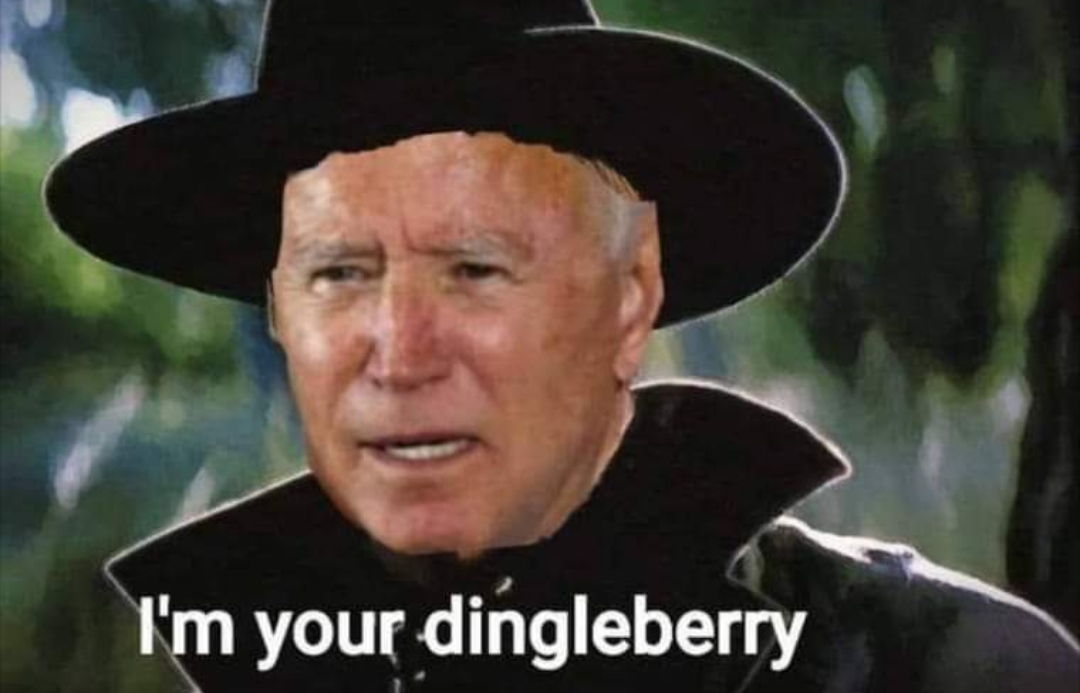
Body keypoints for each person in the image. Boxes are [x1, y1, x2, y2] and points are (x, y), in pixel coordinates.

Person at [43, 1, 1078, 691]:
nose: (399, 352)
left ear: (631, 292)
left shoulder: (933, 669)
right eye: (340, 274)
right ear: (278, 312)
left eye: (475, 268)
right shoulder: (159, 665)